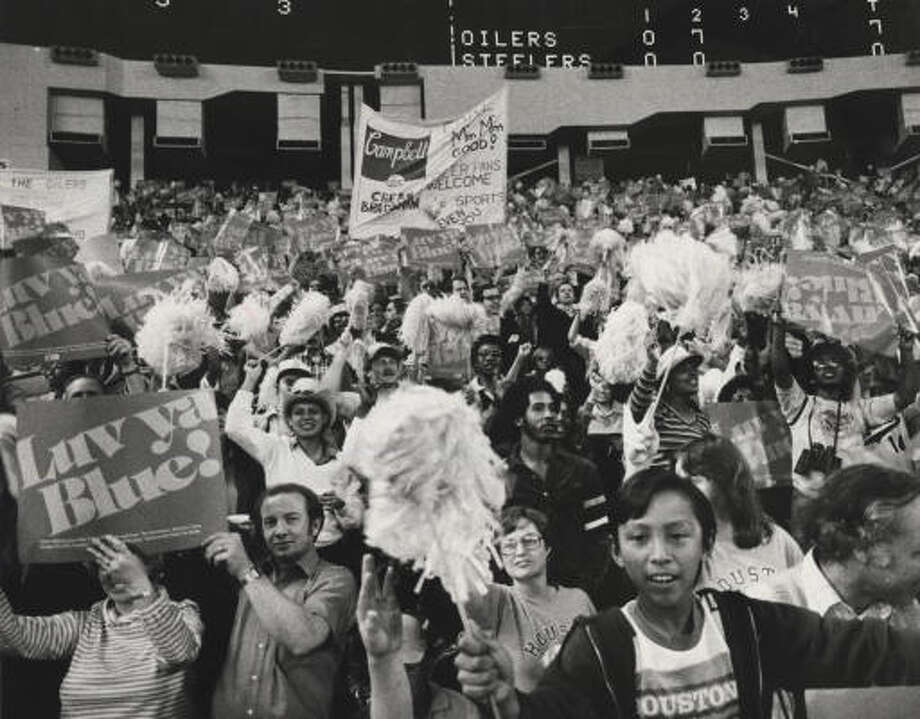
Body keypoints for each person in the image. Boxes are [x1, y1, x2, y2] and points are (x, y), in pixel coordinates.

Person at [454, 468, 920, 719]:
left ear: (706, 543)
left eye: (678, 536)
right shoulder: (598, 644)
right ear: (617, 552)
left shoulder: (750, 623)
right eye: (639, 538)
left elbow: (865, 649)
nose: (660, 555)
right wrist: (507, 700)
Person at [0, 536, 202, 718]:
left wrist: (139, 587)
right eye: (103, 562)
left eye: (122, 563)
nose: (112, 572)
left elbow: (179, 654)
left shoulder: (182, 613)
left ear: (151, 566)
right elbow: (18, 639)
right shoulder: (87, 623)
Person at [207, 484, 357, 719]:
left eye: (291, 519)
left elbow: (303, 639)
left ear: (315, 526)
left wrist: (247, 572)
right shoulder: (246, 576)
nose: (279, 531)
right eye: (270, 522)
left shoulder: (336, 578)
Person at [770, 314, 917, 540]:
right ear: (811, 372)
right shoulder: (799, 405)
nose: (828, 366)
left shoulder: (861, 409)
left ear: (846, 371)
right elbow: (781, 372)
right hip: (806, 500)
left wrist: (906, 350)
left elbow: (905, 396)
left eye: (835, 361)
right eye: (820, 362)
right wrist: (778, 327)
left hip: (846, 501)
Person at [497, 377, 612, 604]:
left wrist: (583, 592)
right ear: (519, 419)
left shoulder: (583, 471)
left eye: (552, 408)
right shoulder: (501, 477)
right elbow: (497, 545)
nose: (549, 415)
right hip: (522, 599)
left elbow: (600, 538)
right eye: (538, 408)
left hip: (577, 594)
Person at [466, 507, 596, 692]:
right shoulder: (497, 600)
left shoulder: (578, 599)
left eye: (529, 541)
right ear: (500, 555)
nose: (520, 551)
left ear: (547, 549)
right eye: (509, 545)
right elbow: (465, 585)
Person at [356, 554, 478, 719]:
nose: (400, 680)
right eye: (390, 668)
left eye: (409, 669)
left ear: (428, 664)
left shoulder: (464, 712)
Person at [676, 434, 802, 593]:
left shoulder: (776, 539)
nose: (681, 492)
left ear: (723, 481)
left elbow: (810, 595)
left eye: (694, 481)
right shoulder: (687, 551)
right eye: (679, 483)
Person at [628, 333, 711, 469]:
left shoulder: (702, 420)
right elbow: (637, 404)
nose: (693, 373)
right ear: (667, 381)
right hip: (659, 481)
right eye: (683, 370)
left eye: (693, 368)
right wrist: (652, 364)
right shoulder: (656, 413)